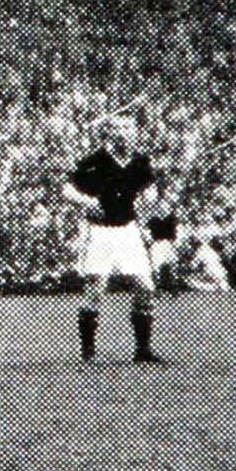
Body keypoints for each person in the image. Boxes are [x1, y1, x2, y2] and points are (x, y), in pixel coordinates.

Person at [62, 116, 165, 363]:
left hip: (128, 230)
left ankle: (142, 350)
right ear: (110, 133)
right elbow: (67, 189)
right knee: (95, 289)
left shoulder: (139, 163)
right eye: (120, 129)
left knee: (145, 286)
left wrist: (149, 197)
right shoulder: (96, 161)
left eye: (129, 128)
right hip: (100, 231)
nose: (125, 133)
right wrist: (86, 201)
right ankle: (88, 352)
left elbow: (150, 188)